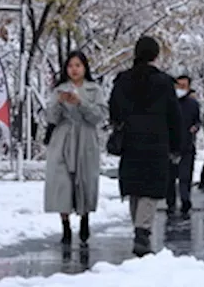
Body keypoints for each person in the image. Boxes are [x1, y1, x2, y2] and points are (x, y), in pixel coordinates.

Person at [108, 36, 182, 257]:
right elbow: (174, 116)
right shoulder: (164, 82)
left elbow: (114, 110)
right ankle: (142, 232)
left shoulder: (122, 81)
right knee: (150, 189)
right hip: (156, 141)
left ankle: (139, 229)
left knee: (135, 188)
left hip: (131, 141)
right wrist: (176, 145)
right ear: (156, 55)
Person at [44, 51, 108, 246]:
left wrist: (81, 103)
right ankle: (65, 225)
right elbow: (51, 117)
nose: (74, 69)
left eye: (78, 65)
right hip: (63, 139)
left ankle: (85, 218)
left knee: (85, 180)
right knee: (61, 182)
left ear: (85, 67)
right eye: (70, 66)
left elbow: (99, 116)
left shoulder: (94, 90)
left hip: (86, 137)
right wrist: (60, 103)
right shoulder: (59, 90)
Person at [166, 75, 201, 214]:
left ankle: (185, 200)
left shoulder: (192, 104)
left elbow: (198, 121)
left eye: (184, 86)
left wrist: (195, 127)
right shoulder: (167, 102)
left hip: (187, 145)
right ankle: (170, 202)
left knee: (185, 175)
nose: (180, 88)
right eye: (178, 85)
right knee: (170, 177)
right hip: (169, 145)